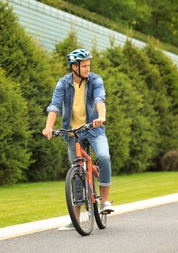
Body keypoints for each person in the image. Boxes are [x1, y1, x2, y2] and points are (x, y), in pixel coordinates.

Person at [42, 49, 113, 231]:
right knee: (76, 171)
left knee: (104, 156)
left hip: (93, 129)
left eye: (89, 65)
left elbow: (100, 99)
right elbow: (55, 107)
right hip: (73, 133)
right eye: (84, 65)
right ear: (74, 67)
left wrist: (101, 117)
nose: (88, 68)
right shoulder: (63, 84)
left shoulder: (95, 80)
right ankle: (75, 218)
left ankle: (105, 201)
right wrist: (49, 127)